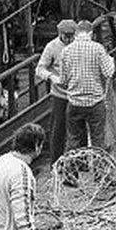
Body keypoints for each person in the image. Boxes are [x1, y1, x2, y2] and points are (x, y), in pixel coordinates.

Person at [59, 20, 116, 177]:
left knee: (73, 140)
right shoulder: (98, 49)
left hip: (74, 103)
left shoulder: (66, 51)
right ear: (91, 33)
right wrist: (111, 61)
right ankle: (100, 176)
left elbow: (62, 80)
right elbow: (108, 73)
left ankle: (71, 175)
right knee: (98, 141)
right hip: (95, 103)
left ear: (76, 33)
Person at [34, 19, 75, 164]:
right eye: (66, 36)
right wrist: (52, 77)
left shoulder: (78, 45)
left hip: (77, 95)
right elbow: (40, 69)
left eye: (72, 36)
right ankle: (55, 163)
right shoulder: (52, 47)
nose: (69, 39)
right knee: (58, 130)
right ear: (59, 34)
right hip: (60, 96)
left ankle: (78, 163)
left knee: (77, 130)